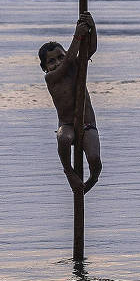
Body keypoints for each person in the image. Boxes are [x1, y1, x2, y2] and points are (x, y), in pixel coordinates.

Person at [38, 13, 102, 195]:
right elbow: (65, 65)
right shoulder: (51, 78)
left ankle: (92, 179)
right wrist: (77, 36)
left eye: (60, 57)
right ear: (44, 67)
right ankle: (69, 171)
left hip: (87, 123)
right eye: (51, 61)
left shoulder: (75, 65)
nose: (57, 63)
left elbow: (90, 49)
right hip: (67, 125)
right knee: (63, 139)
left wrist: (91, 27)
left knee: (95, 159)